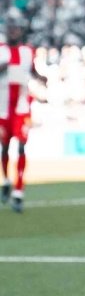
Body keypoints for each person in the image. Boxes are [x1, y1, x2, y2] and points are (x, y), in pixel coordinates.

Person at [0, 21, 44, 214]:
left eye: (16, 29)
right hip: (2, 108)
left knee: (21, 146)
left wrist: (41, 78)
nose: (13, 32)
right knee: (5, 148)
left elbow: (33, 71)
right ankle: (6, 180)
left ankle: (18, 191)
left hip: (22, 107)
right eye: (11, 29)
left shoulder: (28, 51)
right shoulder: (1, 51)